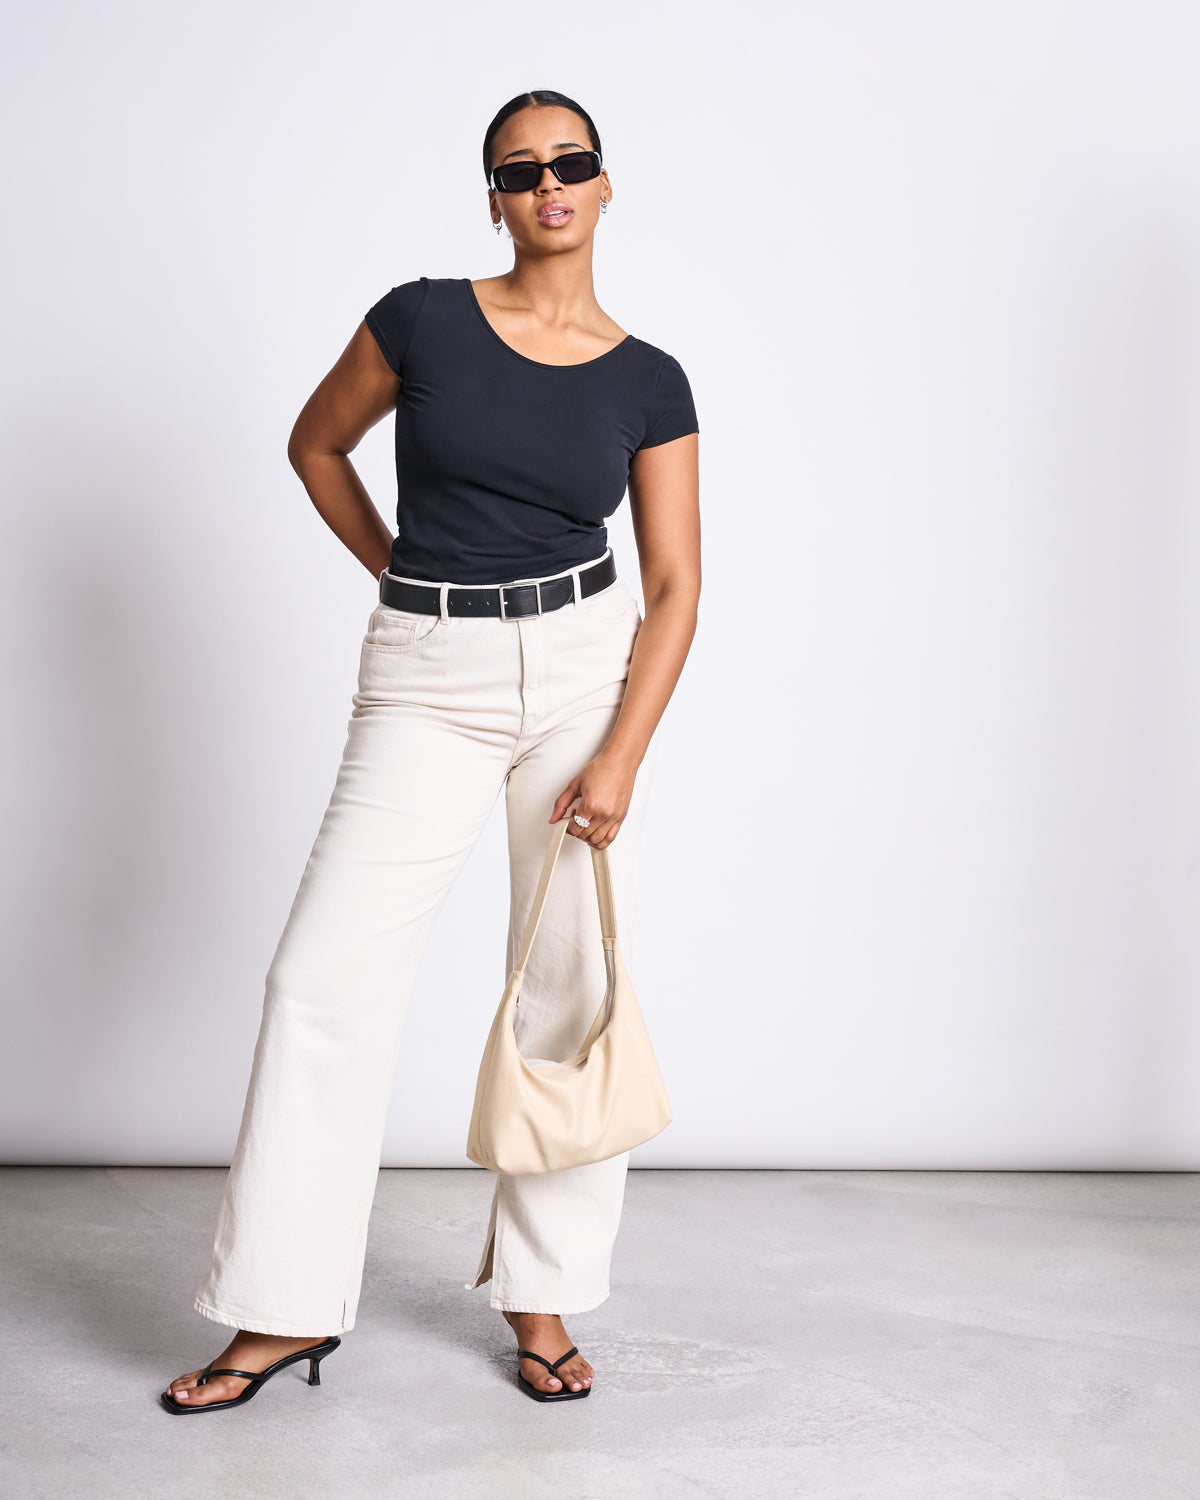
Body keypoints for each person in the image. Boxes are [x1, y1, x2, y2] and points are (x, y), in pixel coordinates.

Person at [161, 87, 701, 1412]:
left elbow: (678, 586)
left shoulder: (650, 379)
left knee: (569, 988)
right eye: (521, 172)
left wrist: (622, 752)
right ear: (495, 199)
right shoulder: (421, 319)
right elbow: (317, 445)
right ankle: (281, 1311)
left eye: (571, 163)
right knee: (320, 982)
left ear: (607, 183)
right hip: (428, 677)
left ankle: (544, 1299)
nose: (549, 186)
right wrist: (408, 576)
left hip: (582, 673)